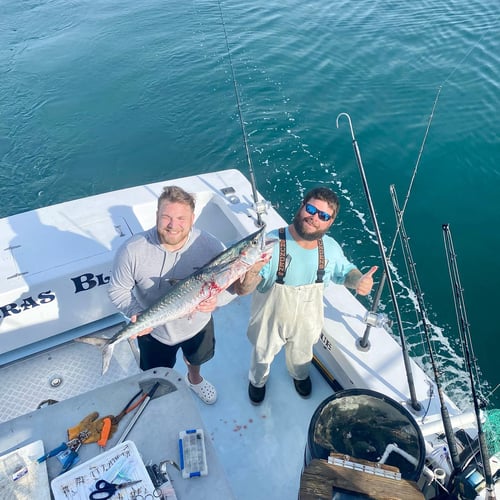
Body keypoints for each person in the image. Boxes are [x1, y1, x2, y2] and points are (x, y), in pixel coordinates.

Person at [233, 187, 377, 404]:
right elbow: (242, 290)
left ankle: (300, 376)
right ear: (301, 207)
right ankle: (257, 382)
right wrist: (253, 269)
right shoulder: (270, 243)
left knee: (302, 356)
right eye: (311, 209)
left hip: (307, 321)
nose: (314, 217)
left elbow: (346, 272)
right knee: (261, 356)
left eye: (323, 215)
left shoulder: (330, 248)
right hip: (269, 320)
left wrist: (359, 281)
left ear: (329, 222)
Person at [108, 185, 225, 405]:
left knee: (195, 358)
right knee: (155, 372)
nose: (173, 225)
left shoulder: (210, 245)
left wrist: (216, 301)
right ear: (156, 216)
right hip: (154, 332)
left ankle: (195, 379)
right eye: (166, 217)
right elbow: (117, 290)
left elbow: (229, 284)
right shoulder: (132, 250)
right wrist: (136, 313)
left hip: (198, 325)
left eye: (181, 218)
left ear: (192, 219)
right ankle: (157, 392)